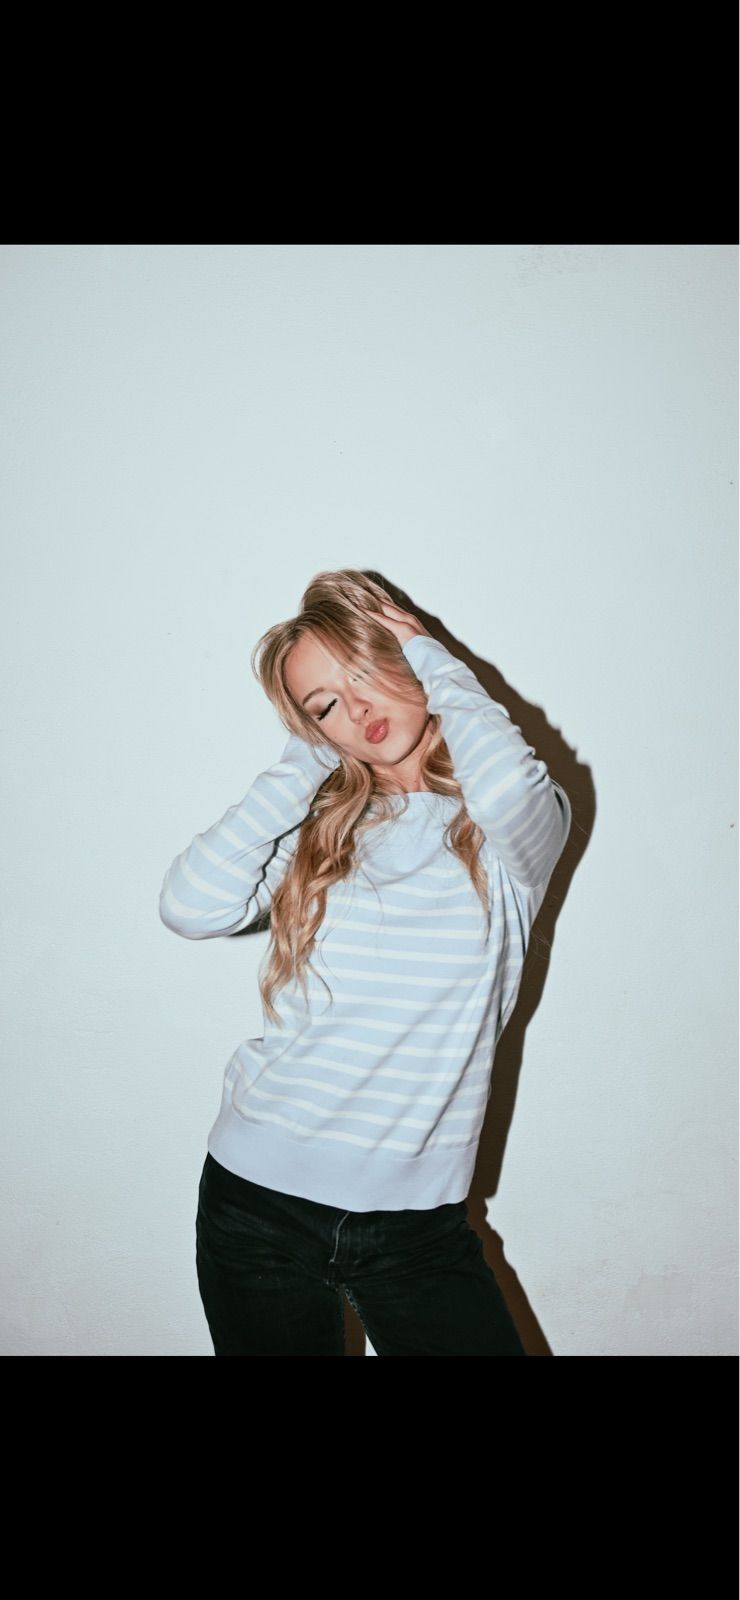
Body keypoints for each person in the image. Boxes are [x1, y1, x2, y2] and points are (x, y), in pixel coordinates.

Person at [159, 569, 571, 1356]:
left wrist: (435, 659)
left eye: (364, 673)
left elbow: (507, 790)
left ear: (409, 658)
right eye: (324, 706)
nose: (356, 711)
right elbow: (190, 905)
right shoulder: (320, 835)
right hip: (255, 1203)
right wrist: (303, 764)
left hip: (416, 1230)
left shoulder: (509, 831)